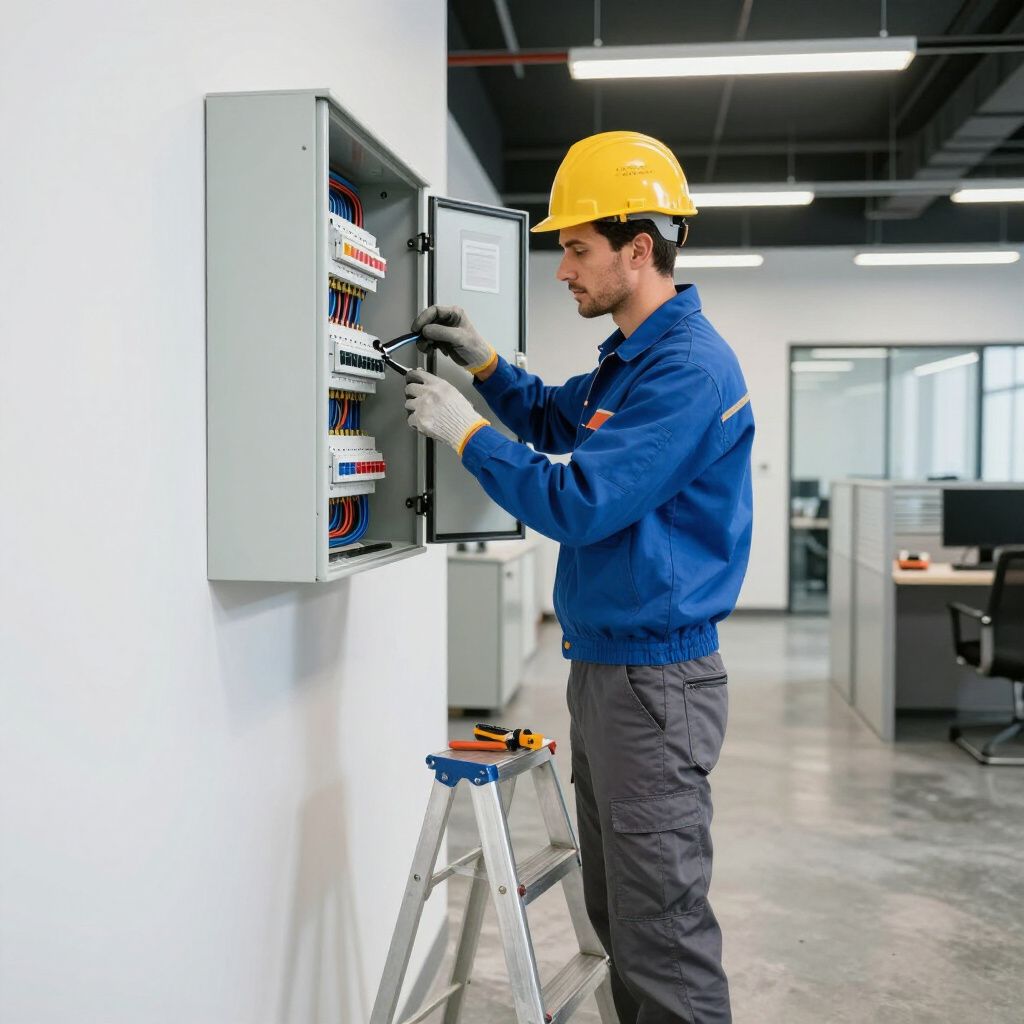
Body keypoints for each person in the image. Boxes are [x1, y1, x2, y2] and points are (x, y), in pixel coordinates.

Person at [404, 131, 753, 1024]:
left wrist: (464, 431)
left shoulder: (687, 370)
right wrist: (485, 366)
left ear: (639, 250)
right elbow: (561, 419)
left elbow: (581, 500)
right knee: (622, 917)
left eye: (576, 248)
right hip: (611, 671)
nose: (562, 269)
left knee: (662, 935)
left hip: (655, 682)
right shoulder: (632, 355)